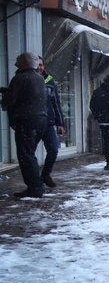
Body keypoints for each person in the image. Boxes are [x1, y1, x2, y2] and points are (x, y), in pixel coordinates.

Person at [2, 52, 48, 198]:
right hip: (40, 119)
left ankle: (35, 187)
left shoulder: (20, 78)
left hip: (27, 120)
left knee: (26, 155)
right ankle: (37, 185)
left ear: (25, 63)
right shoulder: (39, 78)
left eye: (19, 59)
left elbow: (11, 99)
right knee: (29, 154)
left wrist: (5, 102)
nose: (16, 59)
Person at [36, 58, 66, 188]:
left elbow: (56, 103)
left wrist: (60, 123)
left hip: (48, 122)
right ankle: (34, 181)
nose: (40, 68)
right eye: (37, 65)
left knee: (53, 149)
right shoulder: (23, 78)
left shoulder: (49, 81)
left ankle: (46, 174)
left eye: (41, 65)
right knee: (28, 153)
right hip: (32, 121)